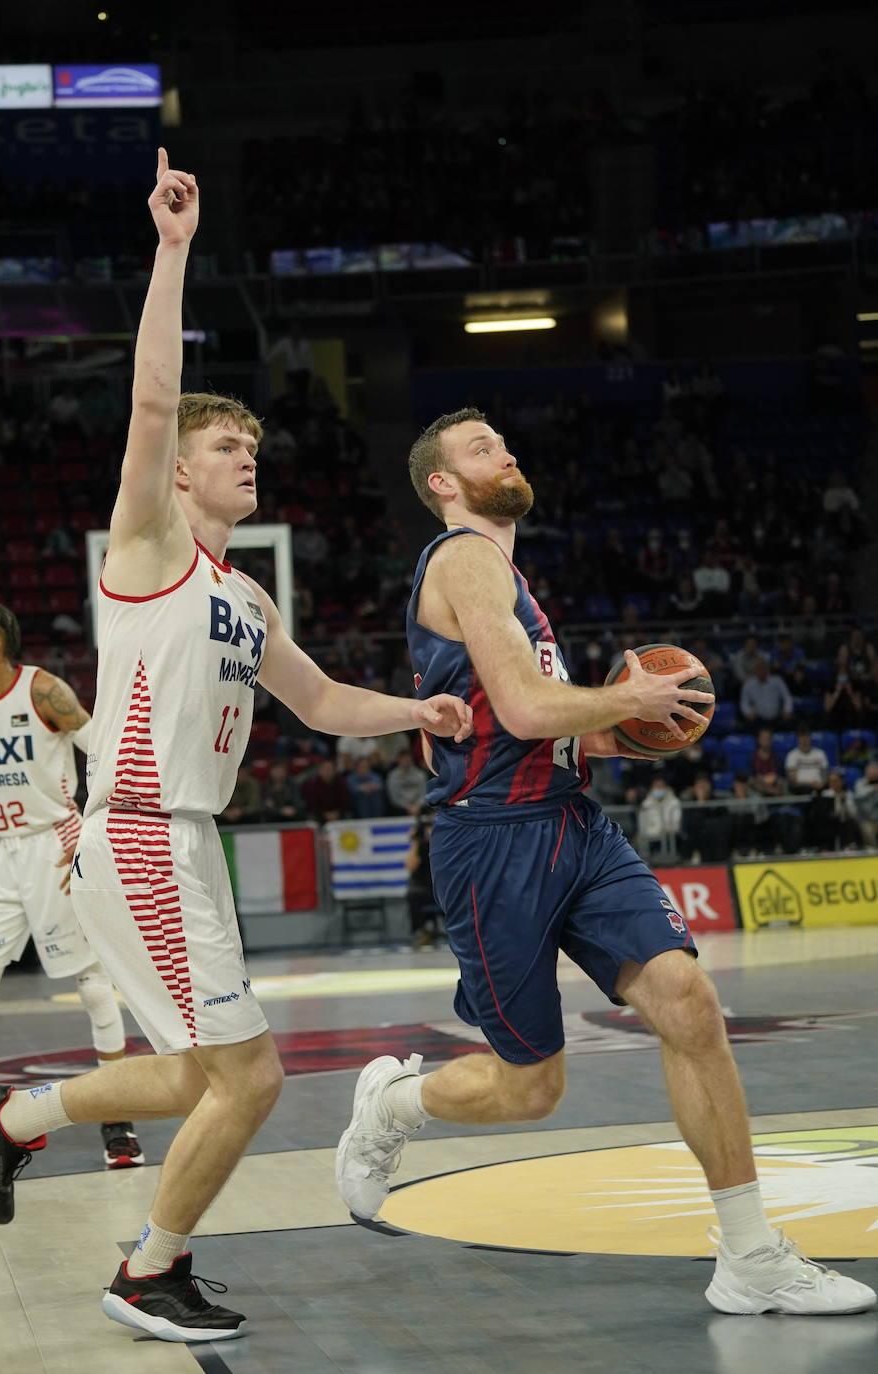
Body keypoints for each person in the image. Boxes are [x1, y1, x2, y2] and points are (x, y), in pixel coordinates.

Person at [0, 150, 473, 1345]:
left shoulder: (244, 594)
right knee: (253, 1079)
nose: (248, 456)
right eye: (228, 445)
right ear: (181, 472)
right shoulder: (148, 548)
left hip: (181, 844)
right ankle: (149, 1271)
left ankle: (13, 1118)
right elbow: (151, 401)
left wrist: (417, 714)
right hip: (141, 836)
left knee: (199, 1076)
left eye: (253, 445)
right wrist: (173, 250)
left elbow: (320, 701)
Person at [335, 405, 874, 1318]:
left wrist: (630, 728)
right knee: (531, 1088)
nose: (505, 452)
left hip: (573, 824)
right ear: (442, 483)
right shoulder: (463, 558)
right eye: (481, 448)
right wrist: (626, 698)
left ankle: (750, 1255)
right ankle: (394, 1104)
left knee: (689, 1003)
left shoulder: (512, 578)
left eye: (504, 442)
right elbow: (526, 708)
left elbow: (536, 729)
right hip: (492, 843)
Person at [0, 602, 143, 1175]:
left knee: (91, 983)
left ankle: (117, 1119)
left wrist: (95, 828)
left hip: (54, 846)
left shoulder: (43, 691)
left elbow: (105, 751)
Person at [404, 806, 443, 949]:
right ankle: (420, 931)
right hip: (422, 884)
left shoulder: (444, 835)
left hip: (440, 883)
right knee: (413, 894)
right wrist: (416, 841)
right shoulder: (419, 840)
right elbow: (410, 866)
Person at [739, 658, 793, 726]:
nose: (761, 671)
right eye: (758, 668)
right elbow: (744, 702)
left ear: (767, 669)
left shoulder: (777, 681)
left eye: (763, 668)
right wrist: (749, 712)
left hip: (777, 717)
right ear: (754, 670)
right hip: (758, 719)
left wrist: (787, 710)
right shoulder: (748, 684)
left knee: (790, 721)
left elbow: (787, 697)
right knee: (748, 724)